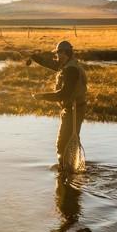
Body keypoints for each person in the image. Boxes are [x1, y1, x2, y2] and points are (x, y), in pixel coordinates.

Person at [26, 40, 87, 171]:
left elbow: (63, 94)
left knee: (62, 144)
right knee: (67, 142)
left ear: (65, 53)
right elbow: (49, 64)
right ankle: (68, 169)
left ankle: (65, 171)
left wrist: (42, 96)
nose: (57, 57)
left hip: (73, 111)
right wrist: (32, 56)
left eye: (59, 53)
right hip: (72, 109)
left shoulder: (71, 70)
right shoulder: (67, 65)